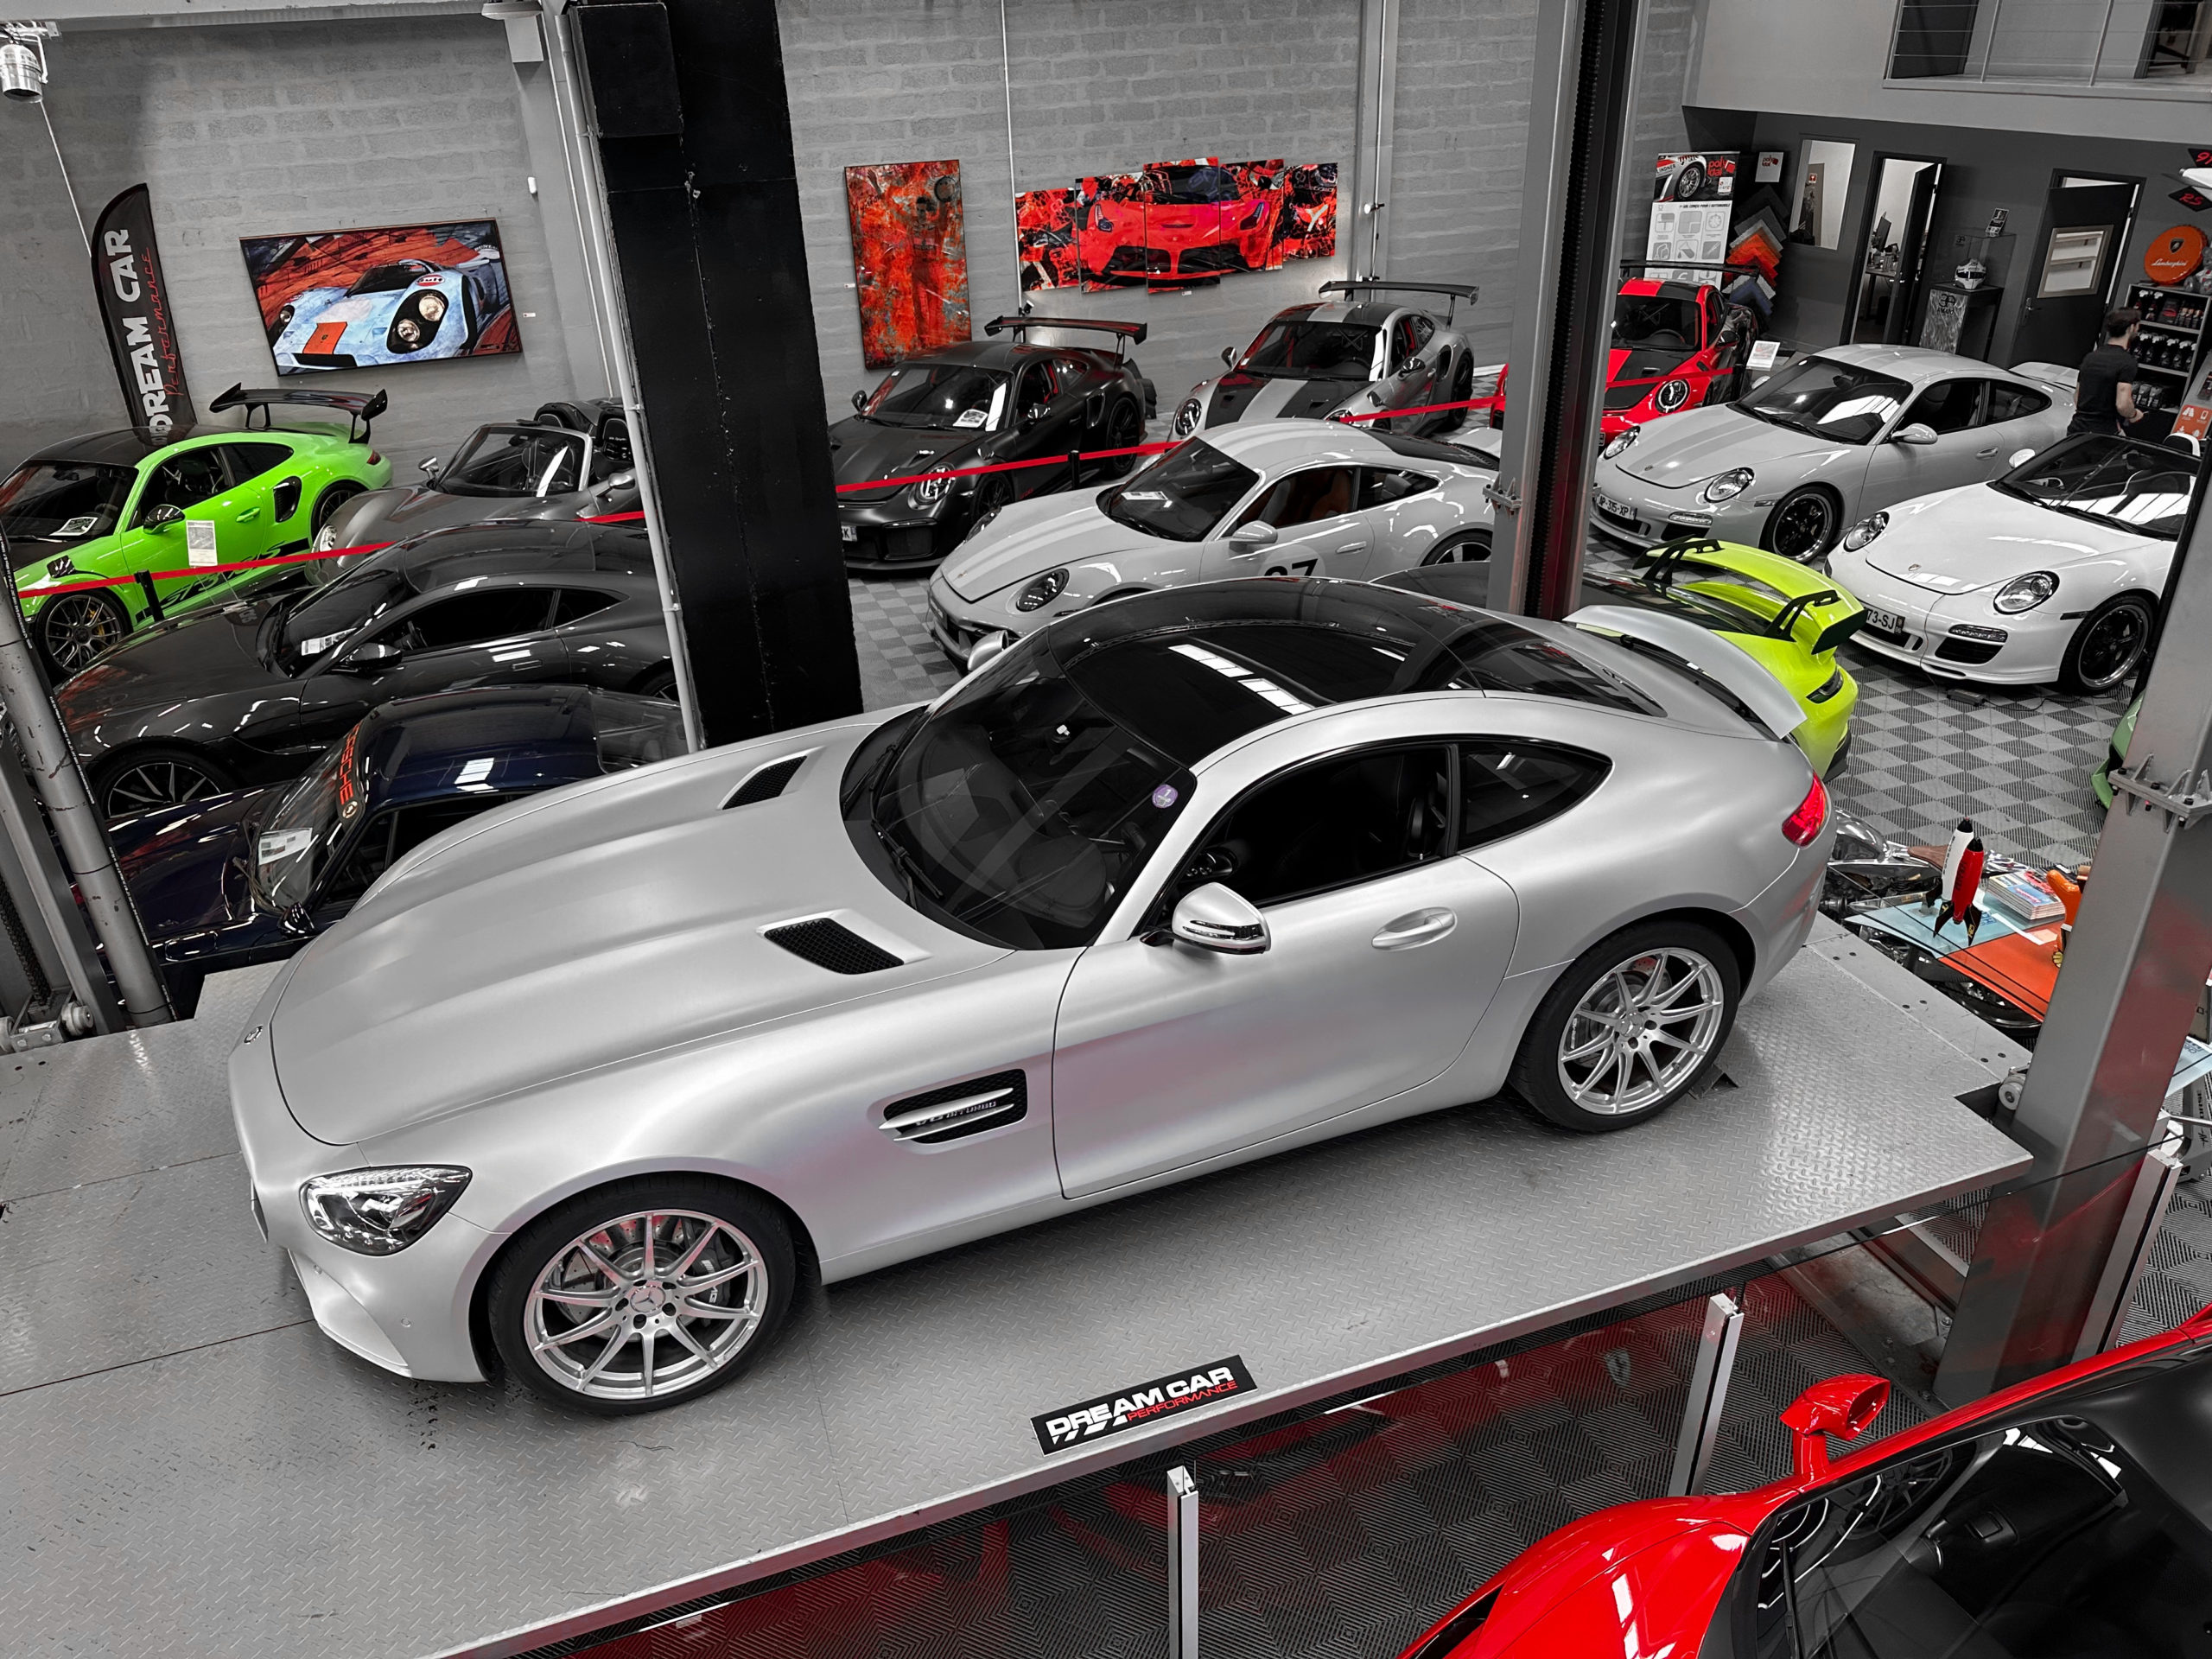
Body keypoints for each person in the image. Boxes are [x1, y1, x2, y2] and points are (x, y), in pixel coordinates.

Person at [2072, 308, 2143, 437]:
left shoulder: (2091, 357)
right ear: (2131, 327)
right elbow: (2122, 404)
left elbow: (2078, 395)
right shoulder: (2127, 362)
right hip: (2103, 433)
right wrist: (2134, 415)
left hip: (2077, 429)